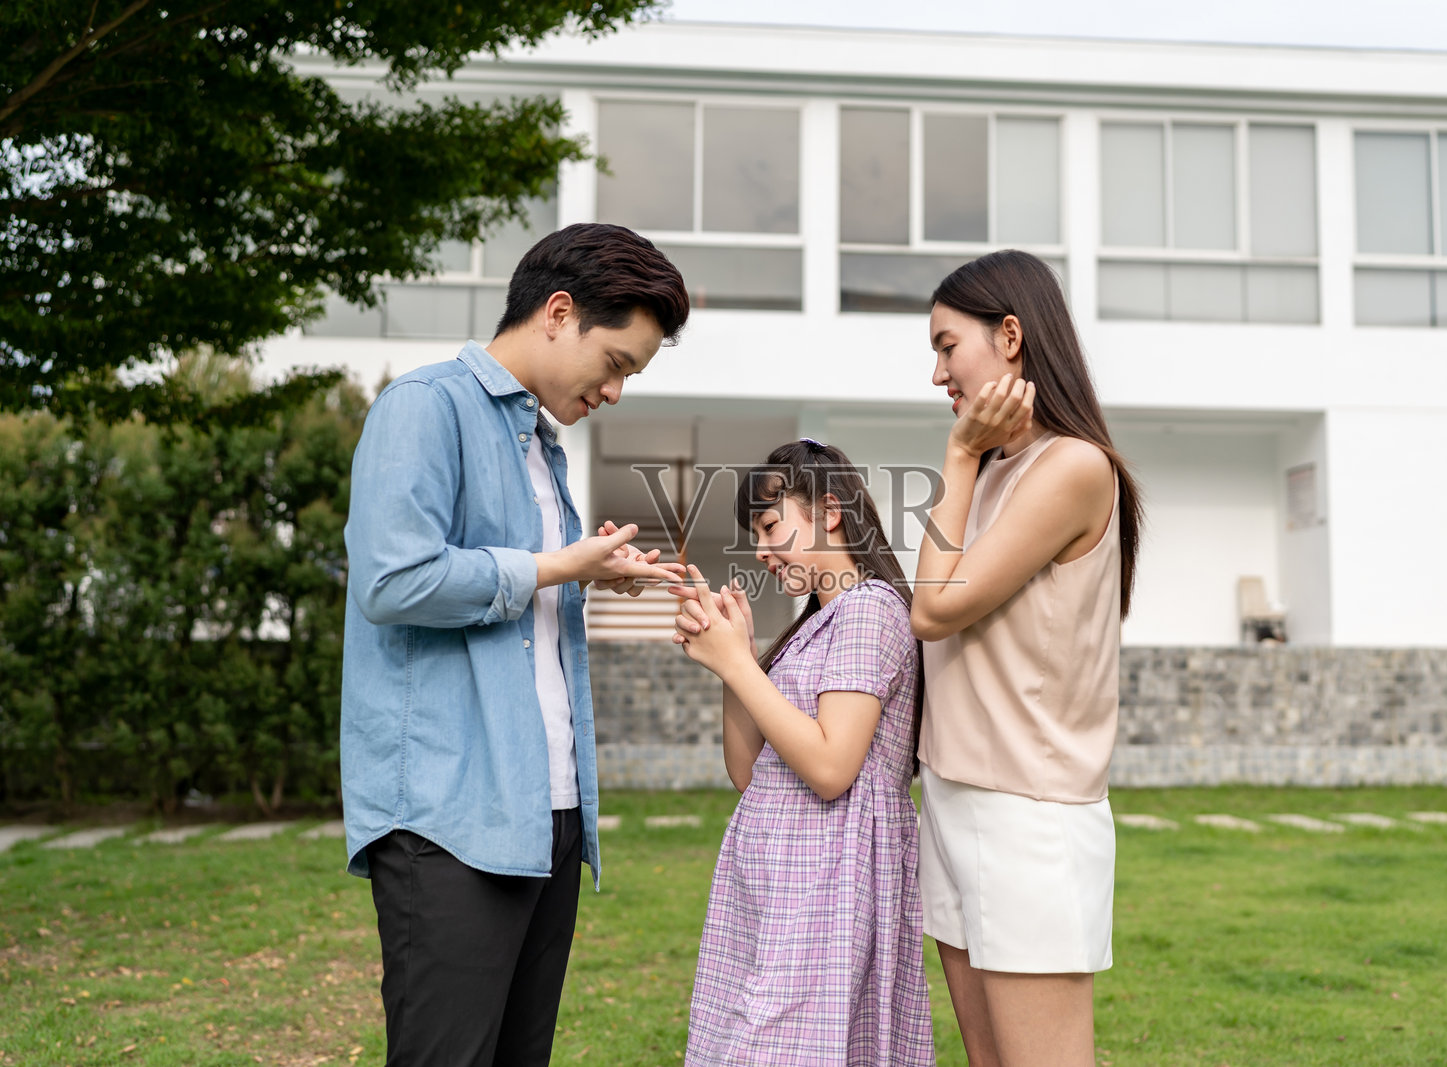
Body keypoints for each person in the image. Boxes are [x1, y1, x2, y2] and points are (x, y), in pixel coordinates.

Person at [340, 223, 690, 1067]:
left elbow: (517, 587)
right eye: (615, 364)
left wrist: (585, 574)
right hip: (451, 818)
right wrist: (555, 562)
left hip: (548, 812)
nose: (614, 392)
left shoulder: (540, 445)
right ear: (559, 312)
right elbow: (391, 581)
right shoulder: (424, 407)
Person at [911, 250, 1144, 1067]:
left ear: (1009, 335)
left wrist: (959, 457)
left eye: (948, 346)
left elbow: (933, 608)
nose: (938, 370)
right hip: (954, 794)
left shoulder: (1071, 467)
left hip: (1026, 814)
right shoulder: (1000, 473)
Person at [667, 440, 936, 1067]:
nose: (760, 549)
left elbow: (829, 767)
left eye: (769, 524)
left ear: (829, 511)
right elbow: (746, 772)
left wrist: (738, 663)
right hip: (780, 877)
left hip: (830, 880)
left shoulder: (869, 610)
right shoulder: (816, 623)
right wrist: (737, 660)